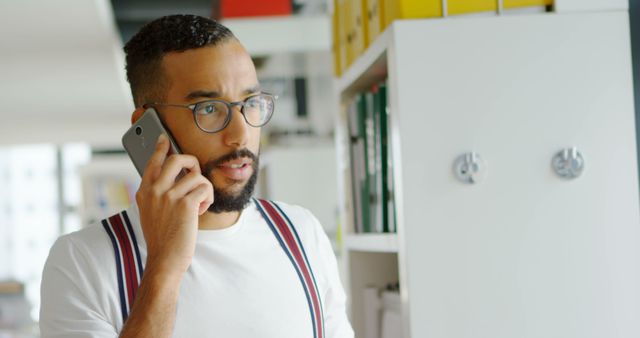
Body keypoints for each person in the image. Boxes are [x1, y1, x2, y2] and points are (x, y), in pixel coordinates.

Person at [39, 14, 354, 338]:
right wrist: (164, 267)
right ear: (147, 124)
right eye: (208, 108)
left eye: (251, 102)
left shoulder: (302, 233)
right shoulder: (83, 262)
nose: (240, 134)